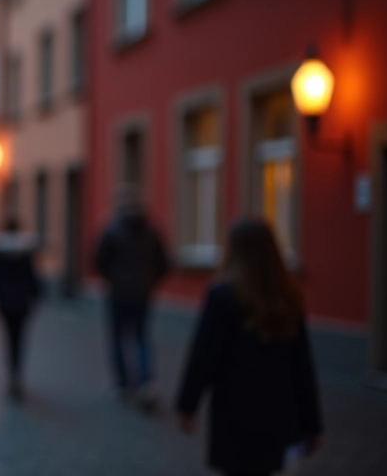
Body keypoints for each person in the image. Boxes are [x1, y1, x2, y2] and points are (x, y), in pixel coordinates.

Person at [176, 219, 323, 476]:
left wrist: (187, 405)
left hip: (236, 415)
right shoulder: (288, 295)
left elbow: (204, 357)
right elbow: (303, 366)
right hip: (280, 412)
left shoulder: (223, 296)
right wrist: (313, 424)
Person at [93, 186, 170, 407]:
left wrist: (113, 279)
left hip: (118, 293)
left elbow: (98, 260)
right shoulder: (152, 231)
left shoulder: (111, 230)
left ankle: (123, 384)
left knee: (118, 337)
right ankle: (146, 382)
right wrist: (150, 282)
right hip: (143, 293)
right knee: (142, 336)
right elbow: (164, 262)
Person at [0, 218, 41, 400]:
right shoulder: (27, 250)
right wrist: (36, 295)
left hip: (5, 300)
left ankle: (12, 373)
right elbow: (33, 276)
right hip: (23, 300)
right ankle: (18, 371)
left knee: (8, 337)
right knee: (21, 336)